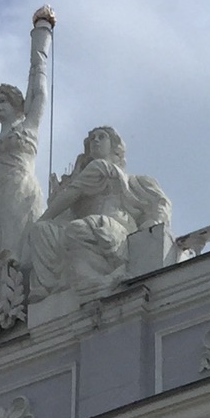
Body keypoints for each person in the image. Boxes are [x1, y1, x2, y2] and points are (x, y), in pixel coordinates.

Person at [27, 127, 171, 299]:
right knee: (41, 231)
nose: (95, 140)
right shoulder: (87, 175)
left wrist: (153, 222)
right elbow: (66, 207)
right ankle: (49, 289)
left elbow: (161, 203)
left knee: (76, 229)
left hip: (115, 230)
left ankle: (95, 281)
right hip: (88, 226)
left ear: (115, 146)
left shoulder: (126, 177)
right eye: (92, 138)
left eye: (101, 137)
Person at [0, 9, 54, 267]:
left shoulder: (28, 127)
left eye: (2, 100)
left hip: (18, 188)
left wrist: (41, 37)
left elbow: (39, 92)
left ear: (17, 103)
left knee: (14, 248)